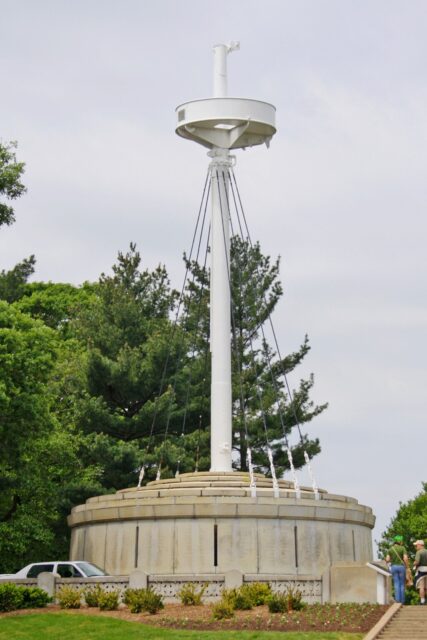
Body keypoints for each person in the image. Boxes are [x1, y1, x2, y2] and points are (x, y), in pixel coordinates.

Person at [386, 535, 408, 604]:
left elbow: (387, 559)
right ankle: (402, 601)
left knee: (396, 583)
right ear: (400, 541)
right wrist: (407, 566)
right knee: (402, 584)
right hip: (401, 567)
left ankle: (397, 600)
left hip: (394, 567)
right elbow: (405, 558)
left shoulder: (390, 549)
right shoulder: (402, 548)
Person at [413, 540, 427, 605]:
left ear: (420, 545)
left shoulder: (419, 552)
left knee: (421, 586)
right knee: (426, 587)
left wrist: (414, 563)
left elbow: (417, 562)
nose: (416, 547)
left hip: (421, 571)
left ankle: (422, 601)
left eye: (416, 545)